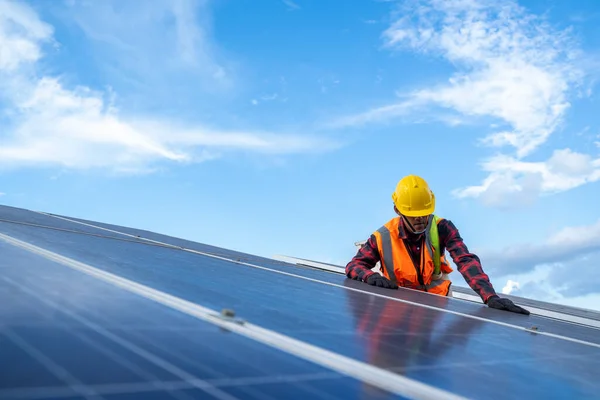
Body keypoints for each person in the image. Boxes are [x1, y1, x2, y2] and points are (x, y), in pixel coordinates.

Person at [345, 174, 529, 315]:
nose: (420, 219)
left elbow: (465, 260)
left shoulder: (442, 228)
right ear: (398, 210)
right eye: (413, 214)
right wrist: (368, 275)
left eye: (424, 212)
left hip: (437, 306)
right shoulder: (382, 237)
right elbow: (354, 265)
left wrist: (489, 296)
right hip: (397, 307)